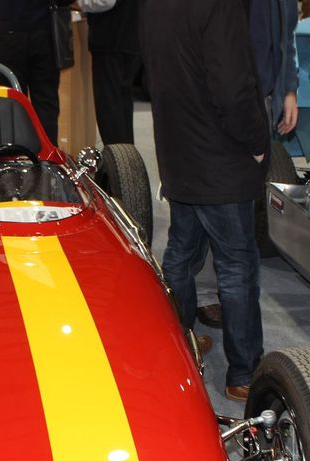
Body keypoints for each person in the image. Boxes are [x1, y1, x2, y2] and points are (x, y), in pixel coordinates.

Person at [141, 0, 268, 402]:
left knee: (181, 253)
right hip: (221, 158)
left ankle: (179, 343)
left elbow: (153, 73)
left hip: (179, 150)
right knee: (236, 266)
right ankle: (244, 371)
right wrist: (257, 142)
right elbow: (232, 88)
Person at [196, 0, 298, 330]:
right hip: (220, 99)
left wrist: (288, 89)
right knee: (212, 196)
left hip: (260, 97)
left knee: (242, 203)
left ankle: (233, 293)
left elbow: (286, 34)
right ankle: (205, 290)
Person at [0, 0, 72, 145]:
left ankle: (12, 155)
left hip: (8, 29)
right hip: (44, 31)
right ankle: (47, 155)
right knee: (45, 103)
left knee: (9, 104)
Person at [80, 0, 138, 146]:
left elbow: (105, 1)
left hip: (110, 38)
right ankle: (126, 154)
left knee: (110, 105)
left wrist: (78, 3)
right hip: (128, 35)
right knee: (122, 102)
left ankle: (116, 155)